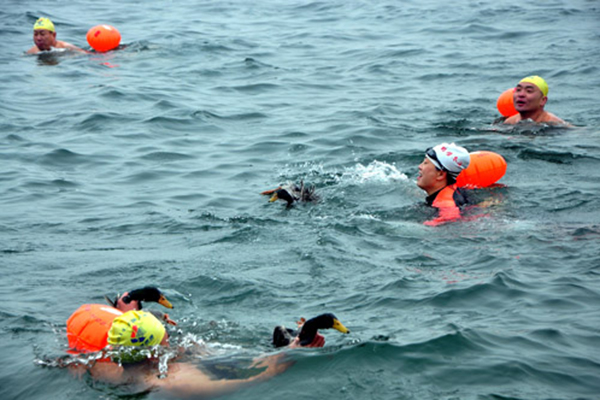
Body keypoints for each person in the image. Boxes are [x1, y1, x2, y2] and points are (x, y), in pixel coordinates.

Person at [73, 310, 291, 398]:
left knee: (191, 349)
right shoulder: (174, 381)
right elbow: (257, 377)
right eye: (162, 333)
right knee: (197, 351)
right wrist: (292, 354)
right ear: (154, 350)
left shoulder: (101, 366)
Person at [416, 143, 470, 226]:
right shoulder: (454, 190)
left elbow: (451, 219)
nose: (419, 166)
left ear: (440, 175)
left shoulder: (445, 203)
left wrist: (429, 225)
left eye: (425, 163)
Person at [503, 76, 569, 125]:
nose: (521, 94)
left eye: (529, 91)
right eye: (518, 90)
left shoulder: (554, 123)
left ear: (543, 100)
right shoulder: (509, 122)